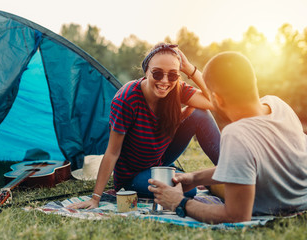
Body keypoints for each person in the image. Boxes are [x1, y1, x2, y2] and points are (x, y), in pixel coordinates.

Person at [148, 52, 307, 223]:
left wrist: (179, 203)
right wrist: (195, 178)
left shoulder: (236, 134)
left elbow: (237, 215)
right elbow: (252, 165)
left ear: (216, 99)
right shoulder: (278, 105)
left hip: (278, 211)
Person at [69, 43, 220, 209]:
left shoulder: (175, 88)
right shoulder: (126, 100)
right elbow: (112, 152)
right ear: (146, 71)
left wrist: (190, 69)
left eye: (172, 75)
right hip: (133, 176)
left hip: (160, 158)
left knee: (200, 113)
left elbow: (214, 102)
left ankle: (231, 170)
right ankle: (192, 177)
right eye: (157, 73)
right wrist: (95, 198)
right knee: (188, 190)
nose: (164, 81)